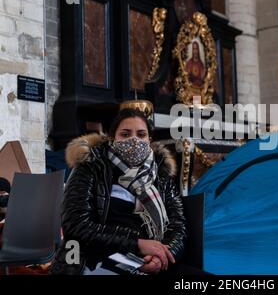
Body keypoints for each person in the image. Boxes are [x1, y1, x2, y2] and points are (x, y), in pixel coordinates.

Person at [49, 109, 186, 275]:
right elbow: (76, 225)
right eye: (126, 134)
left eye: (141, 134)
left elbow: (177, 225)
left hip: (151, 259)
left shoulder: (161, 176)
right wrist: (137, 243)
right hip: (98, 258)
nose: (134, 140)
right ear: (112, 138)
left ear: (149, 140)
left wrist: (161, 255)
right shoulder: (91, 167)